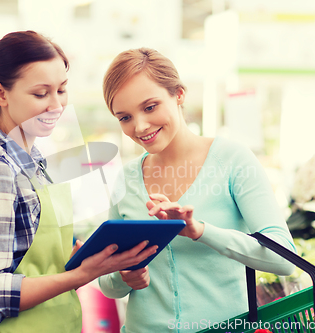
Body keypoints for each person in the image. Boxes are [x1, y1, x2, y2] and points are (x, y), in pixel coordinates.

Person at [0, 31, 158, 333]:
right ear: (0, 93)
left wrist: (91, 258)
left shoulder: (36, 162)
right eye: (40, 93)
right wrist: (80, 275)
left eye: (62, 90)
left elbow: (36, 260)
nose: (56, 105)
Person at [99, 48, 297, 333]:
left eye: (150, 107)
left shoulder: (232, 160)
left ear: (178, 94)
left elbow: (284, 258)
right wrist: (124, 276)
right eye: (125, 117)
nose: (140, 126)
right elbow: (108, 285)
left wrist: (201, 231)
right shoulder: (126, 179)